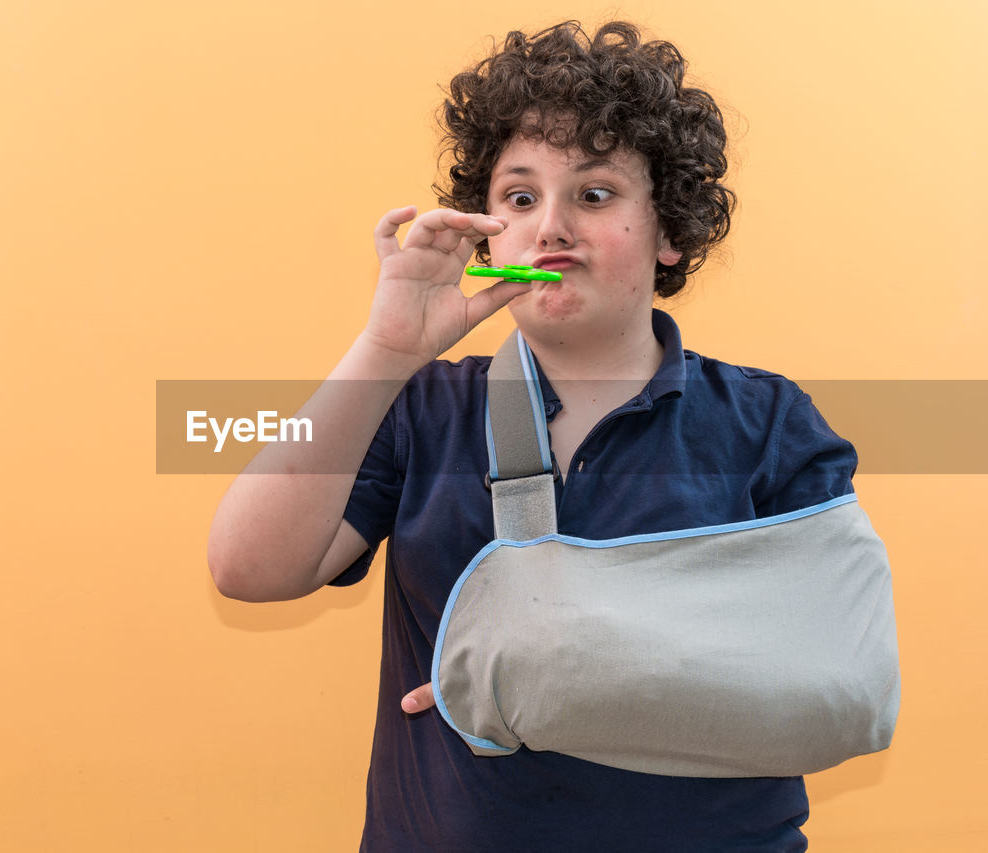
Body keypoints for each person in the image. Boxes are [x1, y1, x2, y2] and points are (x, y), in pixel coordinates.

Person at [209, 20, 858, 851]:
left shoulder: (768, 423)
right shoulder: (418, 408)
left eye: (594, 194)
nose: (550, 227)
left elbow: (833, 678)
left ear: (668, 233)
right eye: (520, 197)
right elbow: (248, 569)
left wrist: (538, 677)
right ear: (490, 230)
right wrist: (386, 351)